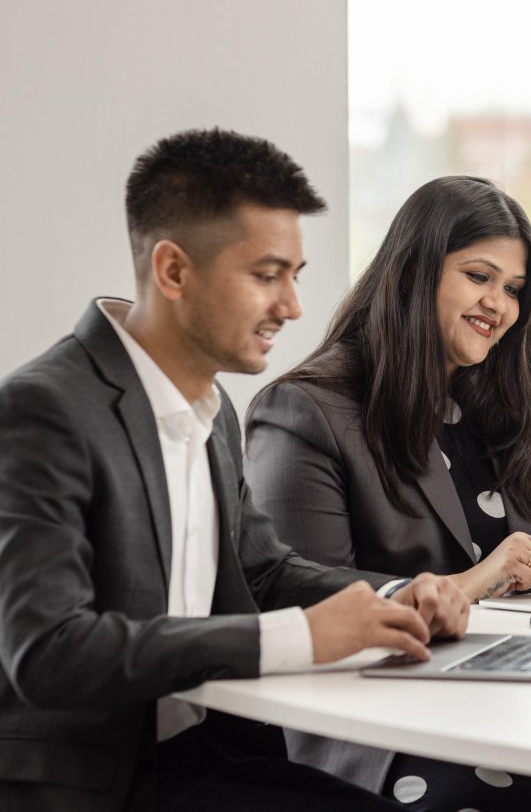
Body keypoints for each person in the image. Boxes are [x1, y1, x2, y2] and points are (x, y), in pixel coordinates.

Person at [0, 129, 471, 812]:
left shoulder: (211, 407)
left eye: (295, 277)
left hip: (201, 755)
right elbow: (49, 652)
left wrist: (394, 599)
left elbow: (262, 570)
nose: (293, 307)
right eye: (266, 275)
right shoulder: (44, 410)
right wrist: (299, 637)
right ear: (174, 271)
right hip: (87, 784)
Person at [245, 176, 531, 811]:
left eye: (514, 290)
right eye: (479, 277)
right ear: (415, 273)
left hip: (528, 684)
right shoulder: (308, 411)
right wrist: (474, 582)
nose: (498, 304)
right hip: (390, 719)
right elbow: (301, 602)